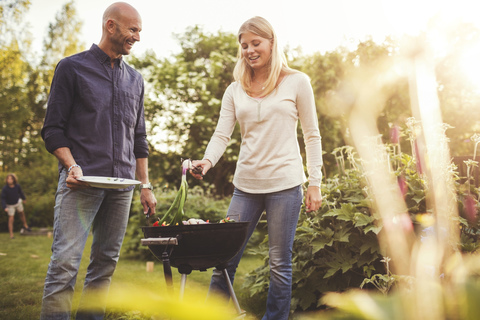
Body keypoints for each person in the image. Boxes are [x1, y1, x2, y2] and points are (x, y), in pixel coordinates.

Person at [190, 16, 323, 320]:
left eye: (255, 43)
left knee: (279, 262)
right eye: (244, 45)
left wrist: (314, 181)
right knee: (225, 259)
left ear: (271, 43)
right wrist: (206, 162)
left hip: (286, 185)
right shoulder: (235, 90)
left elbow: (312, 135)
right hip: (246, 187)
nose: (249, 50)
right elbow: (222, 134)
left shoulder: (297, 81)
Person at [40, 2, 156, 319]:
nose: (137, 37)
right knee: (65, 263)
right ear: (110, 26)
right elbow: (52, 129)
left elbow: (139, 138)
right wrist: (70, 164)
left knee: (104, 267)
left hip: (122, 189)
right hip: (82, 183)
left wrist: (145, 185)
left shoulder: (136, 80)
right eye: (133, 30)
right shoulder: (72, 68)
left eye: (139, 31)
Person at [1, 173, 31, 239]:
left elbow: (20, 192)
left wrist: (24, 198)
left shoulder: (17, 186)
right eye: (8, 179)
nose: (9, 180)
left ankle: (25, 225)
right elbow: (3, 198)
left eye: (11, 179)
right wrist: (4, 207)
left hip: (18, 202)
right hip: (10, 205)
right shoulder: (5, 189)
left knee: (22, 213)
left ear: (14, 179)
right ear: (6, 180)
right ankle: (11, 235)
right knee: (11, 219)